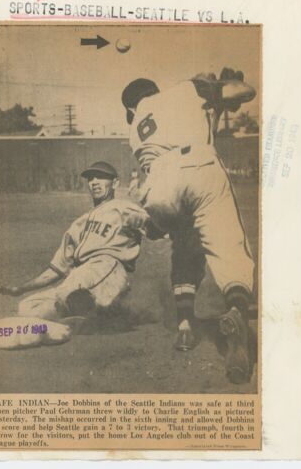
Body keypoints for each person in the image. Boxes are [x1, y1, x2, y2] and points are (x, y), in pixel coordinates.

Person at [121, 67, 257, 384]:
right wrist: (222, 85)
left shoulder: (136, 126)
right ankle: (236, 308)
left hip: (158, 185)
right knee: (228, 248)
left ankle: (184, 325)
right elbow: (243, 91)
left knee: (183, 241)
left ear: (131, 108)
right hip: (198, 166)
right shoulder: (185, 88)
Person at [0, 161, 148, 321]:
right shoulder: (78, 224)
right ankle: (96, 314)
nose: (94, 182)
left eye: (101, 177)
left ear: (115, 182)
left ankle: (98, 311)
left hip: (108, 268)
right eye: (90, 178)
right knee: (27, 306)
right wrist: (21, 288)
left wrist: (147, 223)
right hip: (80, 275)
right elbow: (57, 270)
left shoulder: (123, 208)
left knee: (66, 298)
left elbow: (156, 223)